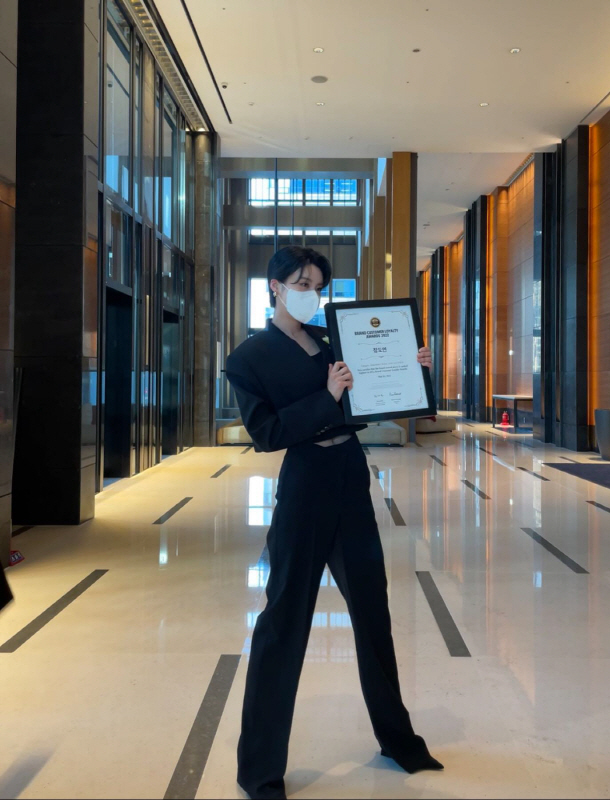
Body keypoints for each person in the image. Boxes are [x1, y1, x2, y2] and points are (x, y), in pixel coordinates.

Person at [225, 246, 443, 800]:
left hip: (349, 475)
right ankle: (259, 770)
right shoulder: (249, 358)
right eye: (301, 283)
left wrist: (411, 371)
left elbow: (368, 401)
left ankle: (397, 740)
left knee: (373, 611)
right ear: (275, 287)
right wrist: (326, 397)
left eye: (318, 285)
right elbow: (267, 434)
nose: (311, 293)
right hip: (305, 485)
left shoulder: (331, 340)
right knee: (283, 623)